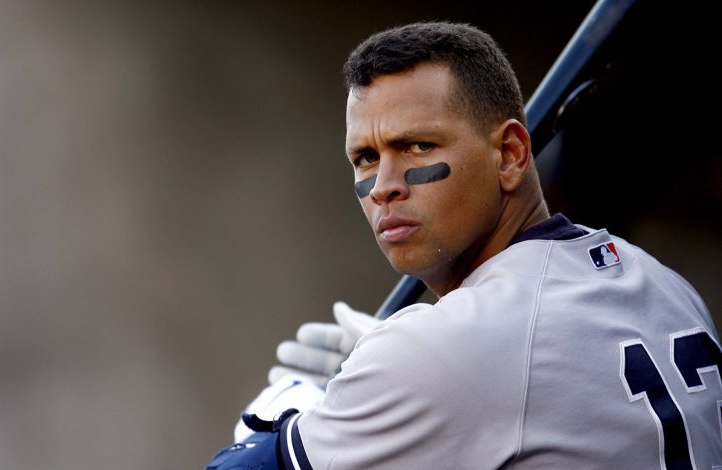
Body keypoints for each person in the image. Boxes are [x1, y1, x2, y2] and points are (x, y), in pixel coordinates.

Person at [208, 22, 721, 469]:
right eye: (365, 157)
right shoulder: (664, 285)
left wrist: (292, 413)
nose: (385, 184)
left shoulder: (442, 349)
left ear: (511, 154)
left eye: (417, 146)